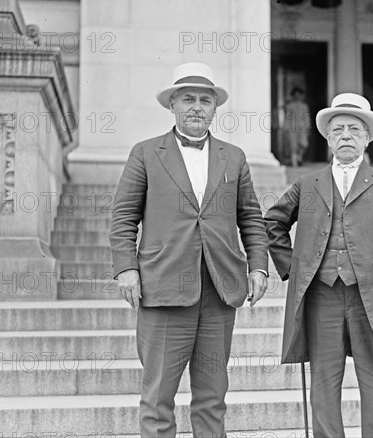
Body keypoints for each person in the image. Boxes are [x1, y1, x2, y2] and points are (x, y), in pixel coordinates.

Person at [109, 62, 269, 438]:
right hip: (163, 289)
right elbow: (123, 217)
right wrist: (126, 268)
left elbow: (250, 216)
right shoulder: (146, 153)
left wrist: (259, 266)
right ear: (173, 105)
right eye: (188, 99)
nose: (197, 107)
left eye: (205, 100)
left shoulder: (235, 157)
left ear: (215, 108)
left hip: (219, 290)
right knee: (158, 397)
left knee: (213, 397)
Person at [264, 93, 373, 437]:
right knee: (324, 381)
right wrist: (294, 268)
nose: (346, 136)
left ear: (367, 137)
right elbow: (271, 224)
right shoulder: (308, 184)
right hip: (323, 296)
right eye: (338, 130)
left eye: (354, 129)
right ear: (328, 138)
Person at [284, 87, 311, 166]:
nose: (297, 97)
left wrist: (308, 126)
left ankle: (299, 157)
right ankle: (294, 163)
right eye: (295, 95)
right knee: (293, 145)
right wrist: (286, 127)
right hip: (292, 126)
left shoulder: (304, 106)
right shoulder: (290, 106)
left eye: (299, 95)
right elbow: (288, 117)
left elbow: (306, 116)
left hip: (302, 126)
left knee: (304, 144)